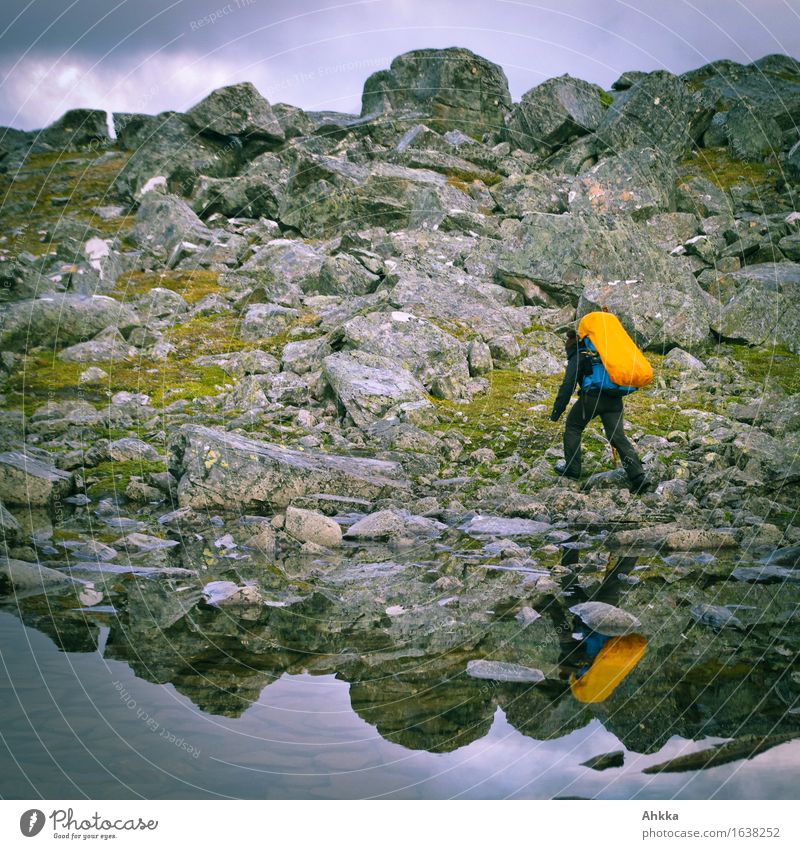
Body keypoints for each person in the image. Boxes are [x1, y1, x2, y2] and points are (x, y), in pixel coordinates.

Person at [549, 328, 652, 493]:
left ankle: (573, 469)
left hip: (592, 398)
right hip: (614, 399)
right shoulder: (603, 352)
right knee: (617, 437)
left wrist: (557, 411)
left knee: (573, 427)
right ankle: (639, 478)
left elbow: (568, 384)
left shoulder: (580, 353)